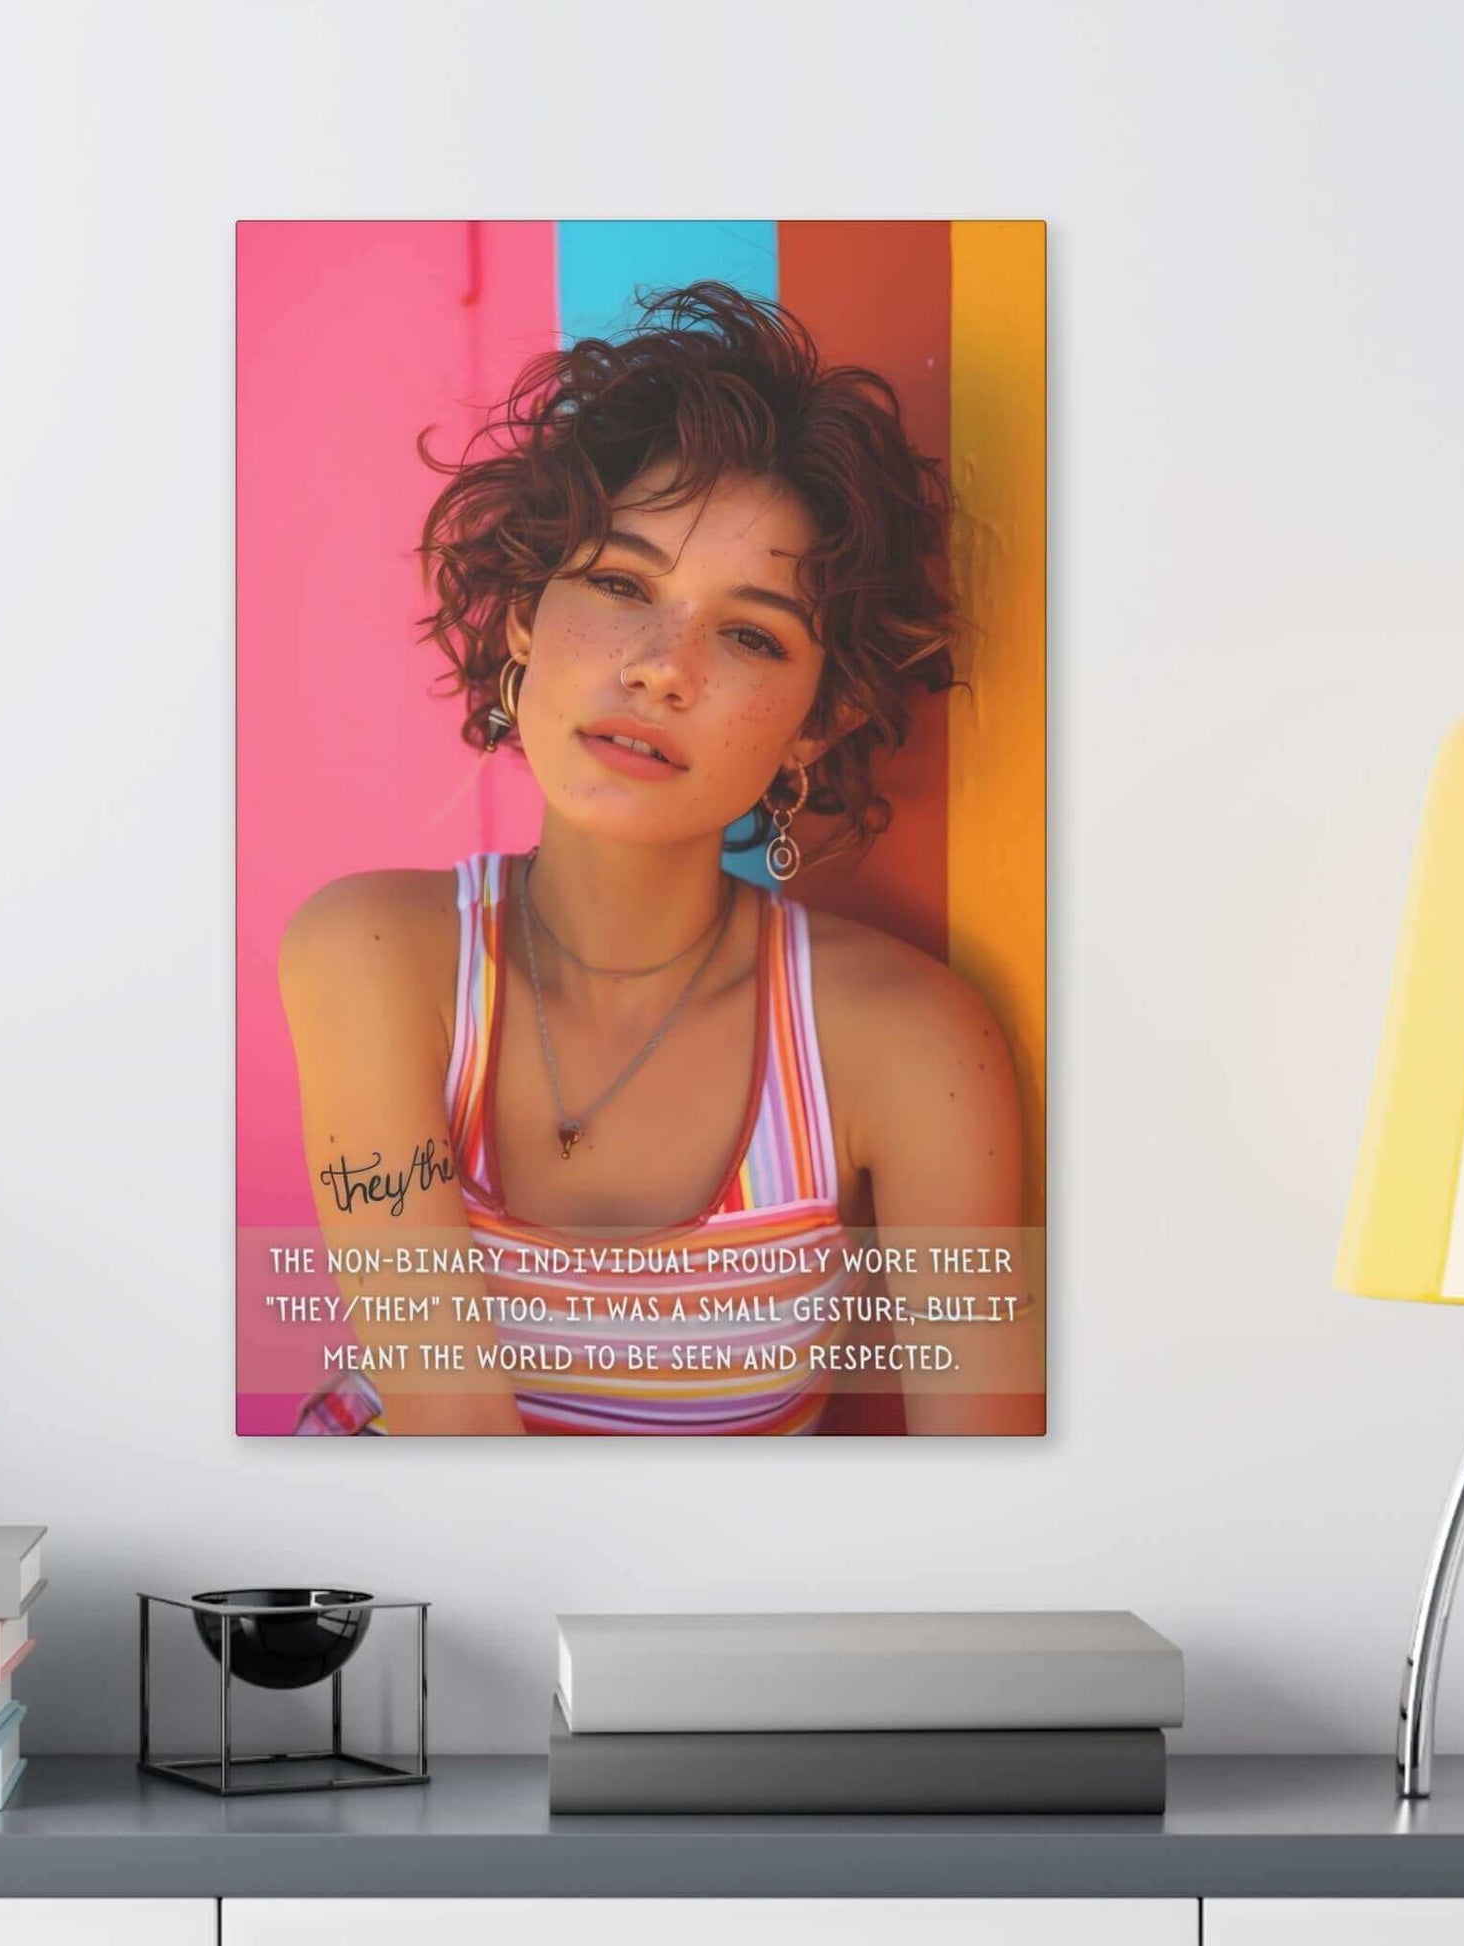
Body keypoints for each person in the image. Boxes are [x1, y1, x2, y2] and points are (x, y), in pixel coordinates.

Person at [279, 282, 1034, 1435]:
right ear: (525, 617)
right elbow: (452, 1440)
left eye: (747, 632)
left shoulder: (909, 1043)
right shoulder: (371, 952)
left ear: (818, 718)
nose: (660, 667)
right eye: (621, 583)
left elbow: (988, 1506)